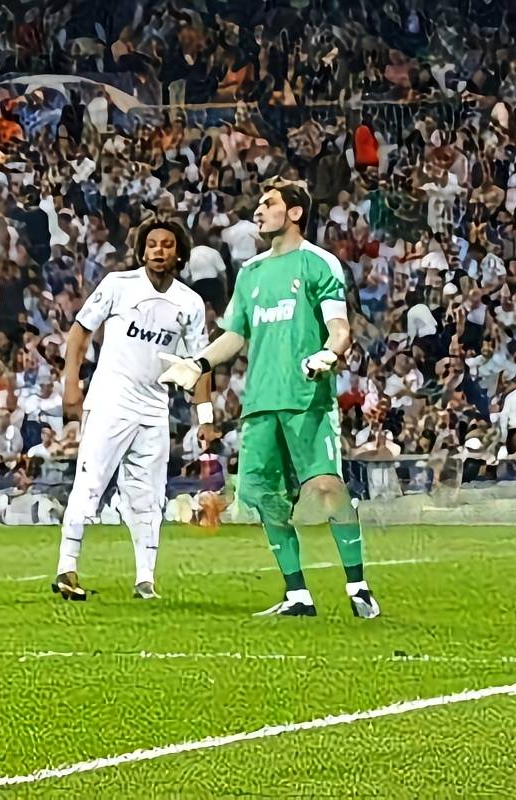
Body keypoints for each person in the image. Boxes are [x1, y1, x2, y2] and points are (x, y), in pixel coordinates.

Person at [159, 178, 379, 618]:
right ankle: (297, 595)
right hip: (259, 402)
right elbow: (235, 335)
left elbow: (339, 328)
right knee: (265, 497)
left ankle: (358, 587)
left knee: (326, 487)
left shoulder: (319, 263)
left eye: (268, 204)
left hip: (306, 397)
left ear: (294, 212)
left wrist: (328, 352)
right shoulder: (251, 272)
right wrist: (198, 363)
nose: (258, 212)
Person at [55, 219, 211, 600]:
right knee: (90, 482)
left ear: (179, 254)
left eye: (167, 245)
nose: (159, 250)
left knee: (149, 496)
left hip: (155, 408)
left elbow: (201, 363)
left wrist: (205, 417)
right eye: (152, 244)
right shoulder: (118, 285)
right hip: (111, 400)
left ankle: (145, 580)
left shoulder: (190, 303)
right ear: (142, 251)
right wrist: (71, 384)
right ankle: (66, 568)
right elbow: (80, 331)